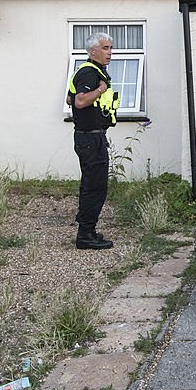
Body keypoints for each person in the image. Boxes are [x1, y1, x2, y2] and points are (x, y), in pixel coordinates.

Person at [68, 33, 120, 250]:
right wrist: (100, 90)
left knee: (95, 184)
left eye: (110, 48)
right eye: (105, 48)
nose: (110, 52)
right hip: (89, 138)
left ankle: (89, 231)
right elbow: (79, 101)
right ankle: (85, 235)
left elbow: (70, 98)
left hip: (92, 136)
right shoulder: (90, 73)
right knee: (94, 186)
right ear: (93, 51)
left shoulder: (91, 71)